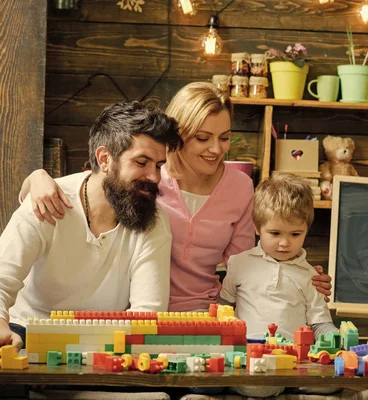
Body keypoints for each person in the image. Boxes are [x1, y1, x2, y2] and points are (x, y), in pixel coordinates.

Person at [20, 82, 332, 313]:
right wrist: (36, 177)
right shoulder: (147, 177)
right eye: (202, 137)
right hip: (136, 308)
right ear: (178, 135)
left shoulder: (240, 187)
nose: (216, 149)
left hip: (207, 311)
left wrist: (299, 273)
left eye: (224, 138)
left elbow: (247, 266)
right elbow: (93, 187)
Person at [1, 101, 182, 350]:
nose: (155, 177)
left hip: (108, 339)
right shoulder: (46, 200)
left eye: (159, 166)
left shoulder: (154, 220)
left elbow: (146, 314)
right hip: (30, 329)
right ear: (105, 158)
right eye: (142, 162)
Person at [220, 172, 338, 398]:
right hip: (252, 358)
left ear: (306, 230)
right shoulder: (239, 264)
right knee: (261, 386)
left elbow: (320, 323)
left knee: (331, 383)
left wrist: (339, 340)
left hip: (297, 360)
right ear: (257, 228)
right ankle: (258, 383)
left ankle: (289, 382)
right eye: (275, 233)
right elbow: (223, 308)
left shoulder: (310, 275)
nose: (285, 243)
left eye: (295, 234)